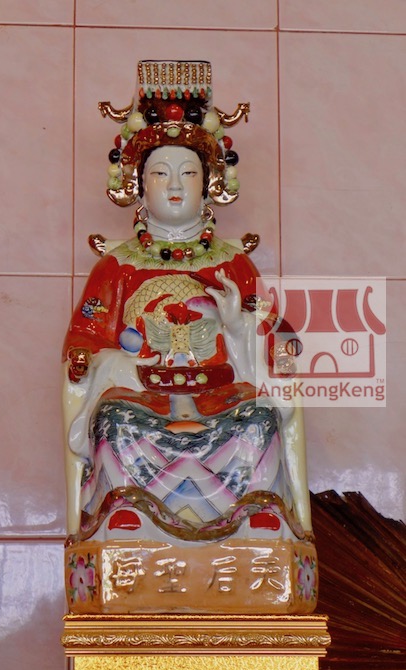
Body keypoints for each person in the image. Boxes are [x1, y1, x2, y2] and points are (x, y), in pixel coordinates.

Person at [63, 61, 315, 613]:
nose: (175, 185)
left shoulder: (233, 265)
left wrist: (239, 325)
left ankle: (254, 512)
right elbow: (84, 338)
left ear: (210, 184)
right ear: (138, 184)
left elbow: (275, 333)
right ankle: (128, 513)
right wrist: (101, 358)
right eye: (160, 173)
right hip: (144, 397)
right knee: (115, 420)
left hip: (220, 394)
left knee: (260, 418)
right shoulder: (117, 268)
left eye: (188, 173)